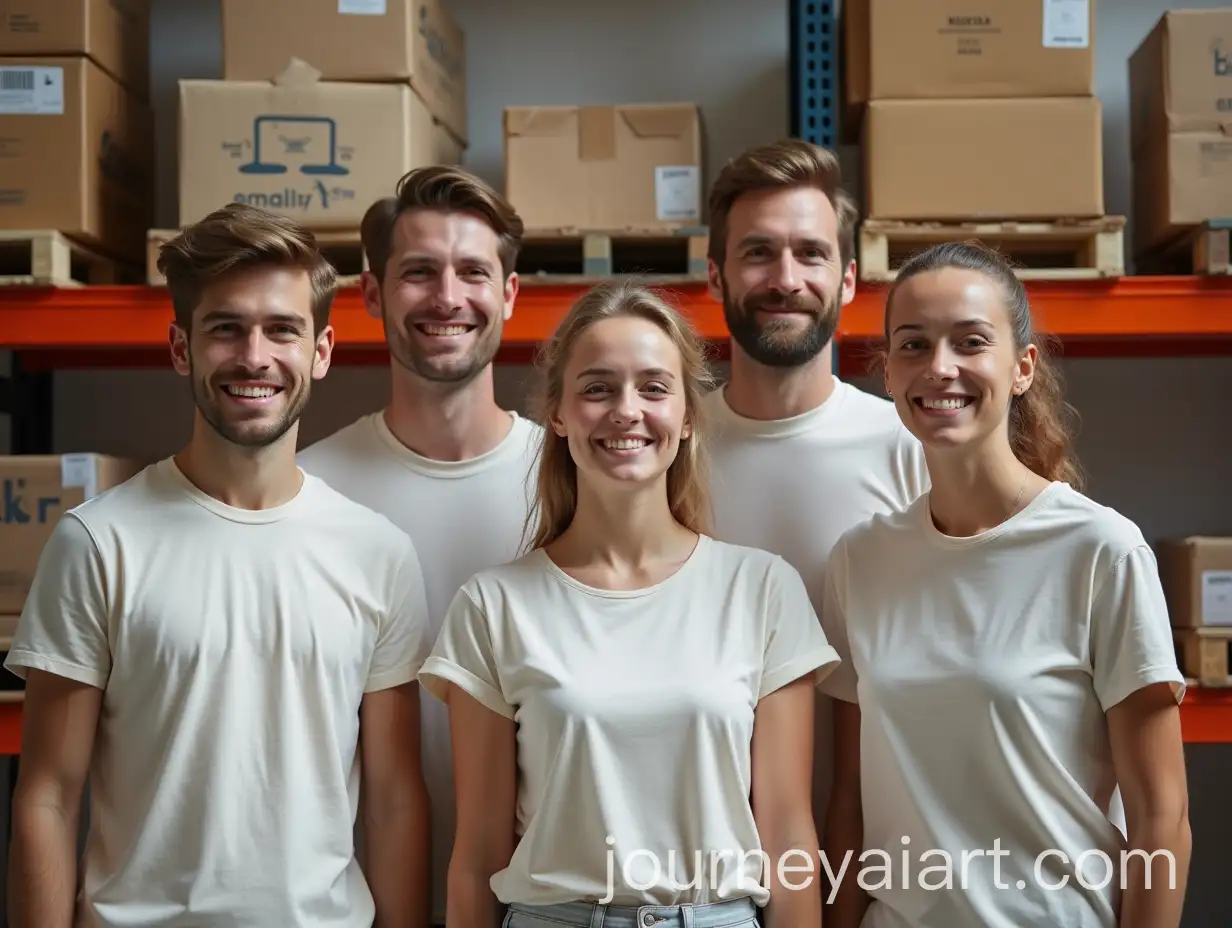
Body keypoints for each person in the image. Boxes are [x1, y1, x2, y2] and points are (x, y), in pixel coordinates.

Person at [4, 203, 434, 927]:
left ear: (322, 351)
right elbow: (47, 794)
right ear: (182, 348)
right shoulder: (98, 543)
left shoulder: (378, 553)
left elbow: (394, 800)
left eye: (282, 329)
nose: (254, 356)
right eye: (225, 328)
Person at [417, 280, 841, 928]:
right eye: (597, 388)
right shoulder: (493, 607)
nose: (626, 410)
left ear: (688, 415)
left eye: (653, 387)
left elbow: (789, 838)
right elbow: (475, 858)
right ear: (558, 414)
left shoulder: (761, 591)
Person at [820, 241, 1192, 927]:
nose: (940, 368)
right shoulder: (860, 561)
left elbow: (1161, 818)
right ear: (887, 372)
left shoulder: (1100, 551)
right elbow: (850, 800)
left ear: (1022, 368)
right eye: (913, 345)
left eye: (970, 342)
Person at [296, 164, 541, 927]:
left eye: (473, 272)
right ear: (370, 295)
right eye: (418, 273)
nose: (447, 298)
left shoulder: (573, 486)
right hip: (357, 900)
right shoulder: (308, 490)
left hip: (541, 898)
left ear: (508, 294)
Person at [700, 138, 930, 839]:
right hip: (697, 868)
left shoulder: (912, 450)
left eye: (811, 253)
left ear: (849, 278)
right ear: (716, 277)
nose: (785, 277)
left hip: (886, 857)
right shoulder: (662, 450)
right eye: (758, 253)